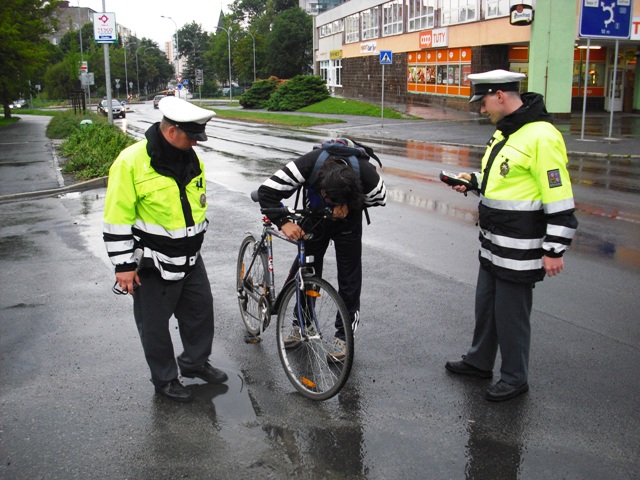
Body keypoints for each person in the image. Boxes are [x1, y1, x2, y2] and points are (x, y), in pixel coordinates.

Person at [443, 70, 578, 402]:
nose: (482, 109)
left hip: (519, 247)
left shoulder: (541, 136)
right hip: (493, 242)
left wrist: (555, 249)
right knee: (486, 306)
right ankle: (479, 361)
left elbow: (558, 197)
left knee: (511, 315)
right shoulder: (507, 131)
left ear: (500, 96)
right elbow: (503, 181)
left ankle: (516, 378)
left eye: (484, 101)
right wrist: (472, 181)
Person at [103, 96, 227, 403]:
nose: (196, 144)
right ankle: (165, 378)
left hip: (190, 257)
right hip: (152, 263)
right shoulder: (131, 162)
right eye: (191, 137)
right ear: (171, 131)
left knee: (200, 314)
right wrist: (123, 266)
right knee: (155, 327)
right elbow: (117, 216)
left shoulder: (189, 157)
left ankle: (194, 363)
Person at [257, 139, 386, 360]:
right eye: (330, 199)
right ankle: (302, 323)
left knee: (349, 278)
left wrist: (351, 204)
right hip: (314, 217)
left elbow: (380, 198)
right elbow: (267, 191)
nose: (333, 206)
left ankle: (343, 336)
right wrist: (284, 223)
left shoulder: (366, 174)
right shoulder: (309, 164)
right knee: (307, 270)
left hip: (349, 220)